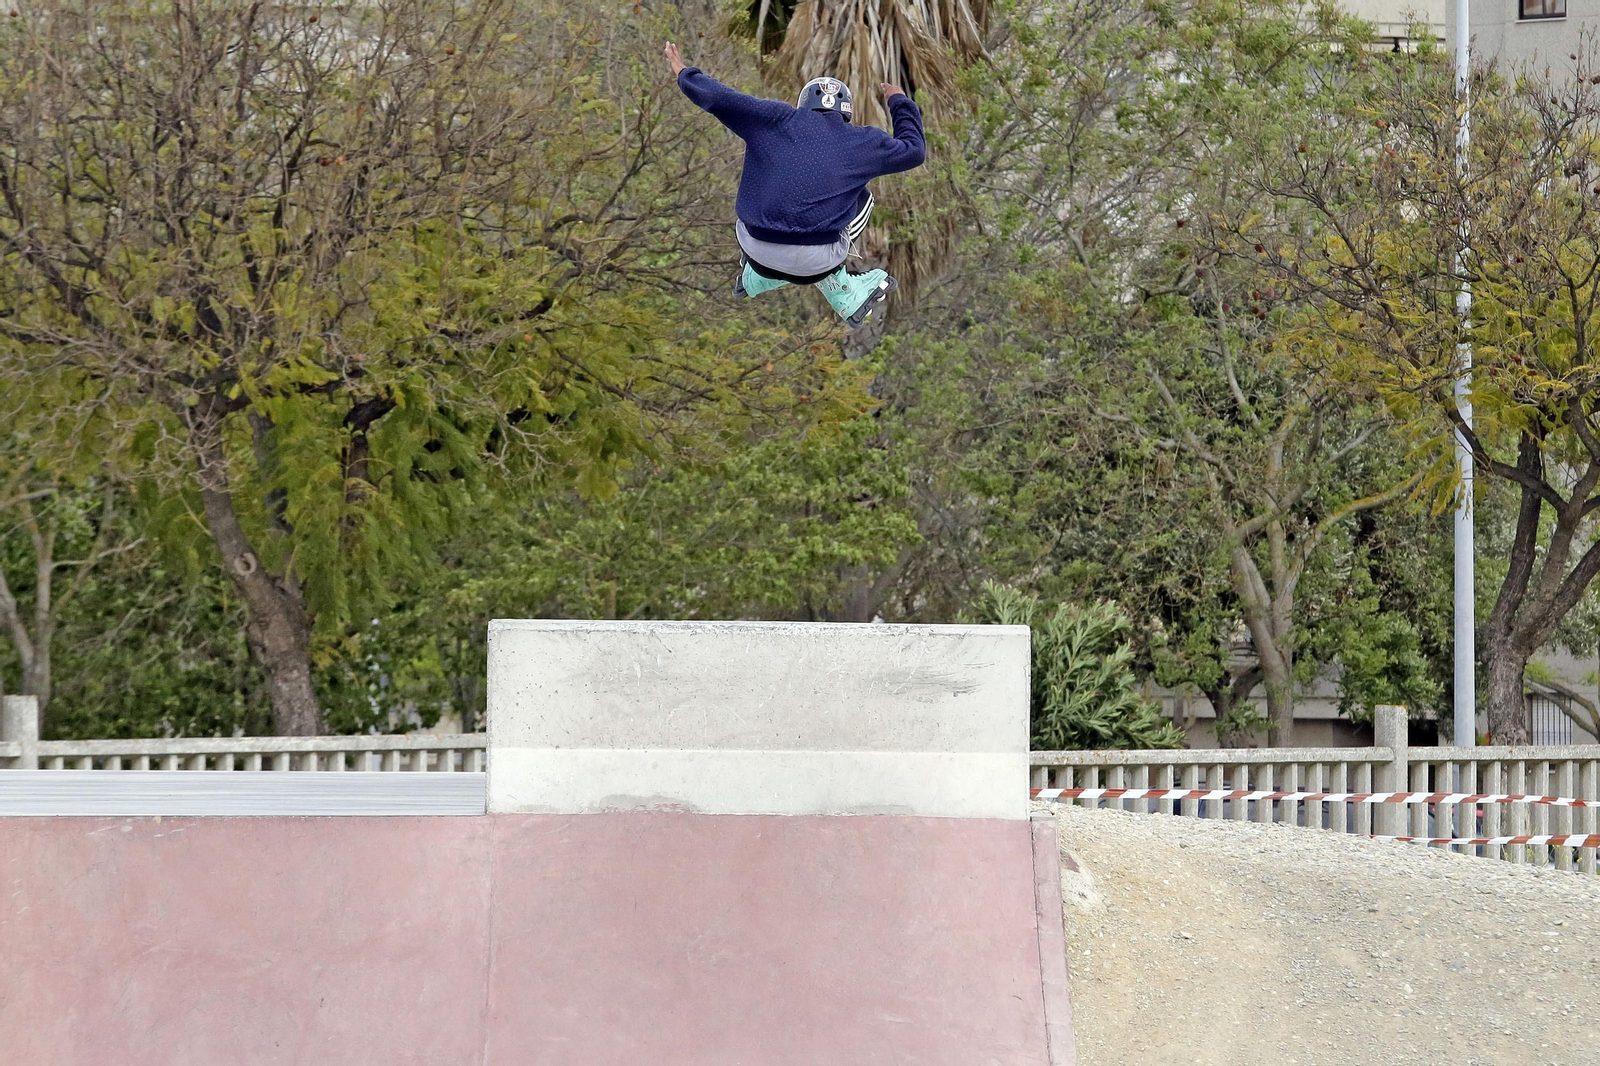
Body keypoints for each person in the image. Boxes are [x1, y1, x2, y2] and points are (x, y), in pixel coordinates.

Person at [665, 42, 925, 328]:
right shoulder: (864, 142)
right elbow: (914, 150)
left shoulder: (773, 119)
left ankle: (756, 277)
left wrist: (684, 74)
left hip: (755, 249)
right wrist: (899, 101)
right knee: (861, 197)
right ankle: (842, 292)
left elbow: (721, 98)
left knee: (769, 182)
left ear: (804, 103)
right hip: (818, 265)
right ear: (846, 111)